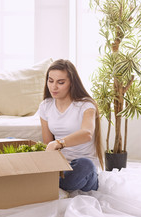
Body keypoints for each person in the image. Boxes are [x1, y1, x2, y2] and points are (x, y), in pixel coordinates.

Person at [39, 59, 103, 192]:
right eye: (50, 81)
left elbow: (87, 133)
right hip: (59, 168)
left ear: (71, 83)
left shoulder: (86, 105)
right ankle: (58, 183)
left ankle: (57, 184)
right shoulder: (45, 106)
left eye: (60, 82)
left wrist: (59, 143)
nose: (54, 87)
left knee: (85, 165)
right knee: (11, 144)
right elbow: (47, 143)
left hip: (82, 169)